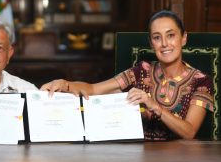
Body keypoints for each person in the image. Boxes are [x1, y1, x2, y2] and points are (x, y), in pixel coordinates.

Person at [41, 10, 214, 141]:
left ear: (183, 38)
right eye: (157, 37)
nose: (164, 44)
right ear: (151, 43)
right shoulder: (142, 71)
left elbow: (189, 132)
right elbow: (94, 89)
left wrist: (153, 105)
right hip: (137, 157)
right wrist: (65, 84)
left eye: (171, 35)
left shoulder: (201, 81)